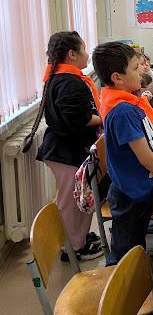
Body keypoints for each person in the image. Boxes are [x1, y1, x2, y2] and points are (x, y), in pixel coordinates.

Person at [93, 41, 153, 265]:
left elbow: (152, 143)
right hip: (130, 195)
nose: (141, 72)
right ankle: (121, 283)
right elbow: (145, 157)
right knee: (127, 252)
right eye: (135, 68)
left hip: (141, 188)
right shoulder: (123, 111)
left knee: (137, 241)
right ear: (117, 77)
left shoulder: (132, 103)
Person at [26, 31, 103, 261]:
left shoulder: (62, 77)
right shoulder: (69, 82)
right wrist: (104, 117)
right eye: (84, 49)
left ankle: (79, 237)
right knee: (72, 201)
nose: (87, 54)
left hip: (68, 148)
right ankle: (73, 249)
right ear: (72, 54)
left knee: (78, 197)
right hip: (65, 151)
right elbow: (78, 119)